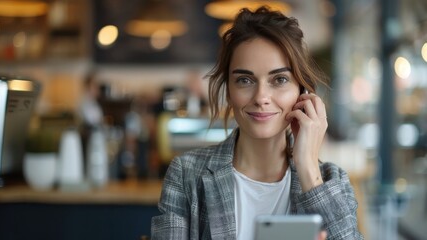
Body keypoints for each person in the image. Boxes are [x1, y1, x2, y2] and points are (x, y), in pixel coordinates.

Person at [151, 6, 363, 240]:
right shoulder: (186, 175)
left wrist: (307, 166)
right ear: (229, 92)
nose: (261, 97)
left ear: (302, 92)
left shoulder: (332, 180)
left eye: (280, 79)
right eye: (245, 80)